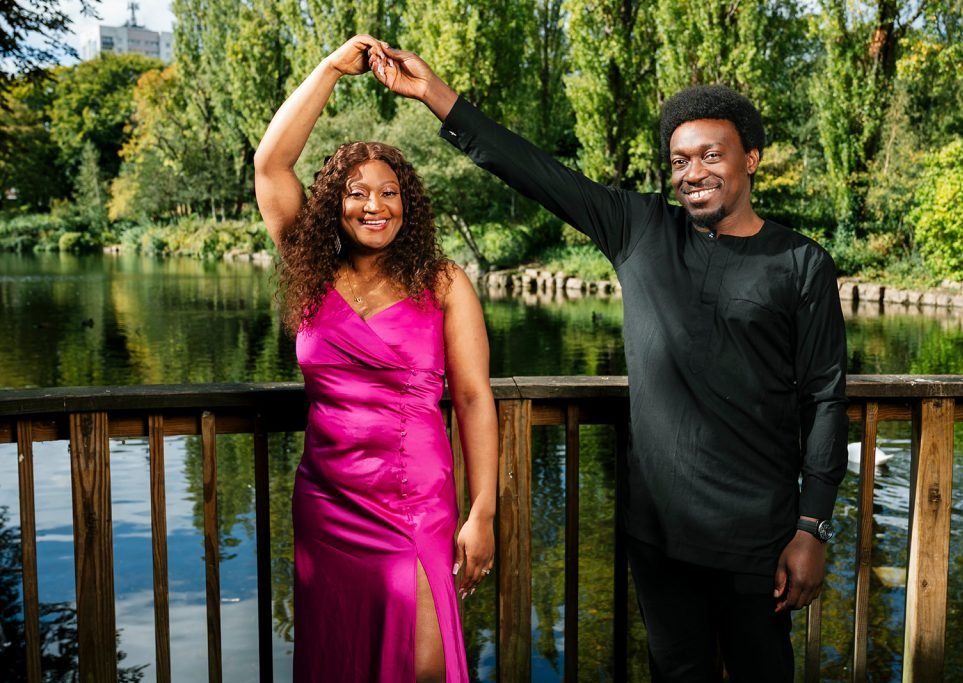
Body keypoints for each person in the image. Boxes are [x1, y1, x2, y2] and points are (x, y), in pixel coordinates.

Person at [368, 43, 848, 682]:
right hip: (661, 536)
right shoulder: (640, 229)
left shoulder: (800, 263)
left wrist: (812, 526)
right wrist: (437, 96)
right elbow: (534, 170)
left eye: (711, 155)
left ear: (750, 160)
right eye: (679, 160)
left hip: (757, 538)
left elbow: (824, 397)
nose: (693, 172)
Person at [254, 35, 497, 683]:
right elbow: (270, 167)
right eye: (357, 192)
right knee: (340, 660)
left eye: (389, 193)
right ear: (335, 202)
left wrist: (483, 510)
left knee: (422, 663)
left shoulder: (443, 282)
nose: (373, 205)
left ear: (408, 204)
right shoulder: (312, 272)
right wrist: (332, 69)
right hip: (327, 503)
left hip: (415, 501)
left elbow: (474, 397)